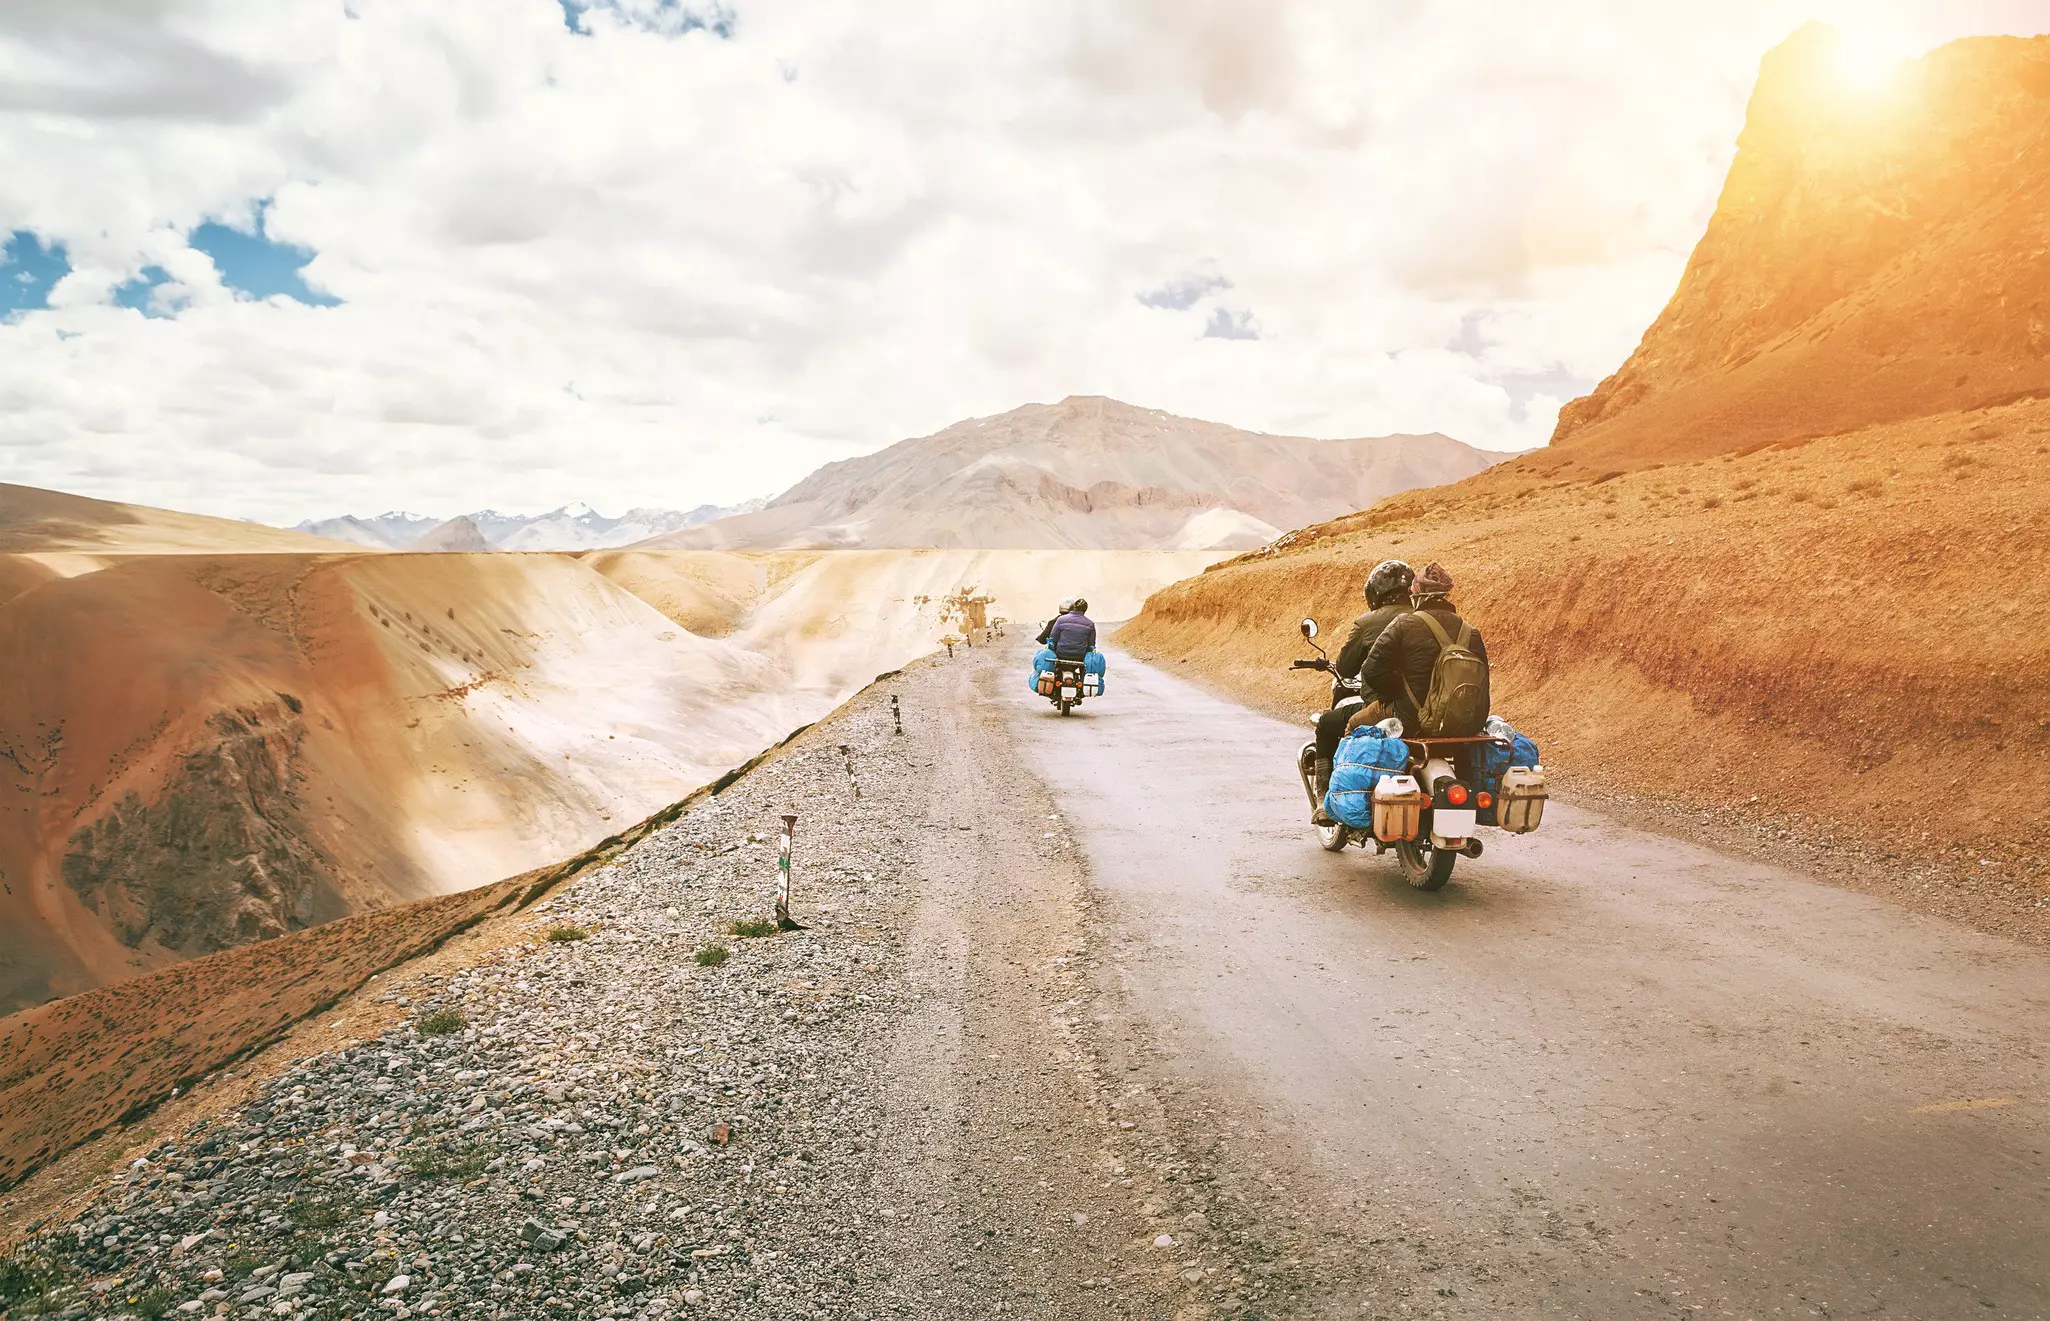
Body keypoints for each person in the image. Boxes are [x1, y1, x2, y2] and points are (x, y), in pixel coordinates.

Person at [1309, 560, 1412, 825]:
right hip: (1425, 705)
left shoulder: (1367, 622)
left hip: (1385, 706)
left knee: (1327, 724)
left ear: (1376, 591)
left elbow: (1346, 666)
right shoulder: (1423, 618)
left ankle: (1326, 800)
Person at [1361, 561, 1490, 737]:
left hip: (1411, 722)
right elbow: (1483, 680)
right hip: (1465, 724)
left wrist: (1399, 694)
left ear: (1418, 595)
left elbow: (1371, 671)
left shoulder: (1403, 624)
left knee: (1352, 724)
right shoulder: (1470, 631)